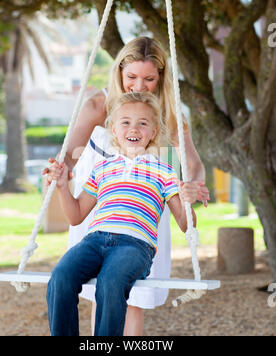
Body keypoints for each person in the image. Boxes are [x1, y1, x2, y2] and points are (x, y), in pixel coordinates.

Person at [43, 37, 209, 336]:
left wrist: (192, 189)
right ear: (119, 71)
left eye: (149, 79)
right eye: (131, 76)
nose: (139, 85)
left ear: (160, 78)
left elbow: (192, 162)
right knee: (91, 289)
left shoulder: (168, 115)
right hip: (100, 211)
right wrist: (59, 173)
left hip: (144, 218)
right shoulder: (98, 106)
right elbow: (69, 153)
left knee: (126, 293)